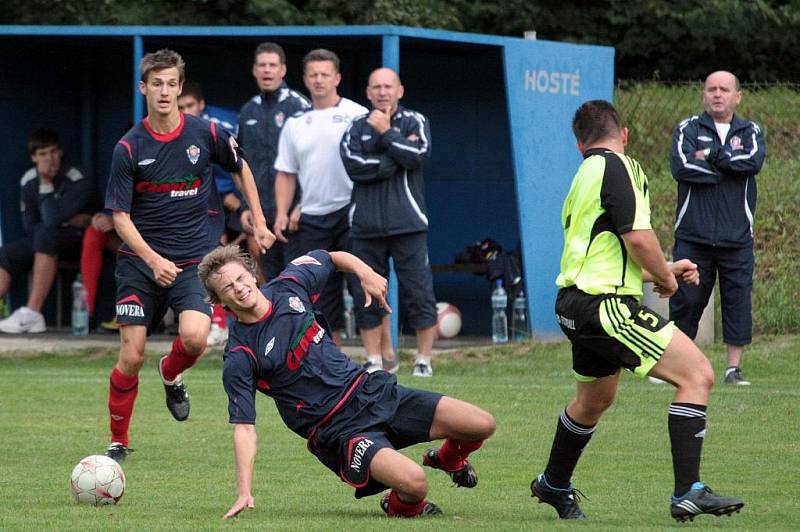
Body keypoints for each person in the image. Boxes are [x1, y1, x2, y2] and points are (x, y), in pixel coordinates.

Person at [530, 100, 743, 522]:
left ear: (579, 144)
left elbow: (603, 254)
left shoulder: (583, 177)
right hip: (604, 306)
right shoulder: (619, 166)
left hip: (575, 304)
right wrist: (663, 278)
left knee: (593, 400)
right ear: (623, 134)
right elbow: (637, 237)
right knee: (697, 374)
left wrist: (662, 270)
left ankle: (553, 483)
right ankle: (689, 491)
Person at [196, 245, 495, 519]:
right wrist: (244, 491)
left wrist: (366, 274)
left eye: (239, 278)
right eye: (227, 287)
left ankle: (449, 460)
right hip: (338, 430)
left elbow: (331, 257)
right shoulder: (240, 355)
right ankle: (400, 505)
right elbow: (245, 428)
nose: (238, 288)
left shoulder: (291, 285)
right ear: (218, 301)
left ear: (251, 273)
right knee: (415, 483)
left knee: (481, 424)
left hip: (370, 391)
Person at [102, 49, 274, 463]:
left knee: (195, 339)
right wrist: (152, 259)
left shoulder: (206, 133)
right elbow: (119, 218)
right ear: (144, 88)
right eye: (156, 83)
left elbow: (241, 167)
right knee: (131, 354)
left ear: (181, 89)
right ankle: (118, 441)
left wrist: (259, 219)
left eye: (171, 84)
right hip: (141, 264)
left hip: (195, 261)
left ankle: (171, 372)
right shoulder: (129, 148)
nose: (164, 91)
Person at [669, 71, 766, 386]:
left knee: (738, 300)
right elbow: (682, 166)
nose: (717, 94)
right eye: (712, 89)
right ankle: (677, 365)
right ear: (703, 95)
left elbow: (752, 162)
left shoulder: (750, 131)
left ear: (737, 95)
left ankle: (733, 369)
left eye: (725, 89)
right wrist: (725, 168)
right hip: (693, 236)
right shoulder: (688, 128)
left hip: (736, 238)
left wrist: (711, 156)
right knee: (687, 300)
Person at [340, 67, 438, 377]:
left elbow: (418, 155)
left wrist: (387, 134)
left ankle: (423, 360)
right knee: (366, 293)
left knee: (419, 291)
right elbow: (354, 166)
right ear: (368, 93)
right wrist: (393, 158)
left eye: (388, 86)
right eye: (376, 87)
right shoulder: (355, 128)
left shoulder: (416, 121)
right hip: (365, 227)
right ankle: (373, 360)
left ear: (400, 91)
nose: (382, 92)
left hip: (408, 224)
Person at [273, 49, 368, 344]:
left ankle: (377, 358)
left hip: (352, 212)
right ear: (304, 79)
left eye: (325, 74)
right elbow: (286, 173)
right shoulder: (295, 124)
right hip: (312, 218)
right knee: (320, 291)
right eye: (312, 74)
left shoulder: (357, 115)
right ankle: (332, 357)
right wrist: (281, 213)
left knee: (360, 283)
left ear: (337, 77)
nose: (318, 80)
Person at [0, 129, 93, 334]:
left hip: (78, 241)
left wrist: (46, 184)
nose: (49, 159)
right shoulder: (28, 180)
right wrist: (64, 218)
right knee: (6, 253)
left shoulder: (76, 177)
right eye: (42, 154)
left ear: (60, 153)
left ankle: (32, 313)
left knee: (45, 233)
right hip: (44, 240)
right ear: (34, 157)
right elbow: (30, 225)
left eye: (52, 152)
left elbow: (50, 221)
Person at [178, 80, 244, 346]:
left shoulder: (222, 126)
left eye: (190, 106)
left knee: (251, 251)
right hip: (206, 205)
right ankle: (218, 321)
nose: (186, 111)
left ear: (202, 105)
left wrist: (238, 200)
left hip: (239, 203)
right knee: (210, 254)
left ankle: (250, 318)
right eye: (180, 107)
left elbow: (244, 164)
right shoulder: (174, 131)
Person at [238, 42, 311, 283]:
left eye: (272, 65)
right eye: (262, 65)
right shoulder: (248, 111)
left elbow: (312, 162)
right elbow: (240, 164)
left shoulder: (299, 106)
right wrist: (245, 206)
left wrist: (302, 204)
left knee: (299, 280)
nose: (267, 70)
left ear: (283, 70)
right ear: (254, 70)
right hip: (262, 217)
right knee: (269, 282)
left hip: (297, 217)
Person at [80, 211, 122, 331]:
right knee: (93, 233)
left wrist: (117, 221)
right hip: (121, 233)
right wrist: (96, 218)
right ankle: (88, 312)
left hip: (149, 233)